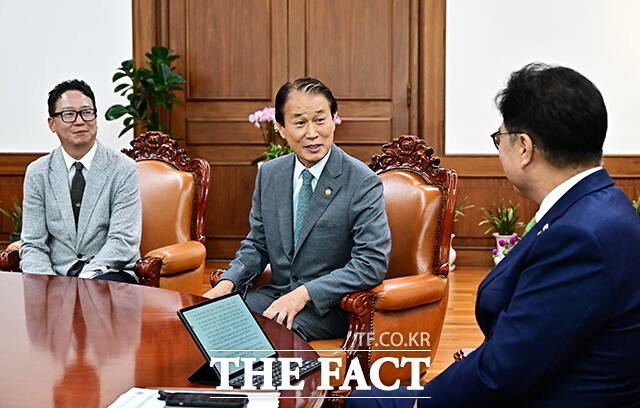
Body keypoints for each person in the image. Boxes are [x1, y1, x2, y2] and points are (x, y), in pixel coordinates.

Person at [346, 63, 640, 406]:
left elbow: (500, 375)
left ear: (525, 147)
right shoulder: (600, 205)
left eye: (500, 139)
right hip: (541, 376)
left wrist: (419, 402)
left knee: (362, 401)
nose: (499, 149)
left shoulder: (578, 237)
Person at [204, 77, 391, 341]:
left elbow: (371, 263)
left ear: (334, 120)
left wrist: (304, 294)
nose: (312, 133)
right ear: (281, 128)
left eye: (320, 120)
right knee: (211, 321)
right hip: (277, 294)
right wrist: (228, 283)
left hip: (329, 306)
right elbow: (257, 244)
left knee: (268, 334)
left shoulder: (361, 181)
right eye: (300, 123)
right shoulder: (270, 174)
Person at [20, 79, 141, 283]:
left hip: (109, 273)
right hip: (56, 276)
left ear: (96, 118)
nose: (79, 121)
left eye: (86, 112)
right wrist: (49, 283)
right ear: (52, 124)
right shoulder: (37, 173)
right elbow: (33, 244)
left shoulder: (124, 169)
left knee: (99, 292)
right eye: (69, 114)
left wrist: (84, 280)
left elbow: (123, 240)